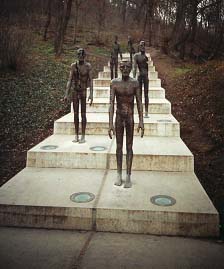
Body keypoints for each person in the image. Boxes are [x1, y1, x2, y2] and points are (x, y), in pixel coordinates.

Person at [108, 60, 144, 188]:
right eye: (122, 67)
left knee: (129, 146)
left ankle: (128, 175)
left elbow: (139, 102)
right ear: (119, 68)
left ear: (130, 68)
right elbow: (111, 103)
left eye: (127, 67)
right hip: (119, 117)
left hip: (129, 117)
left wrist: (141, 121)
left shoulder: (134, 83)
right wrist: (110, 123)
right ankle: (118, 174)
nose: (125, 69)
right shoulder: (114, 83)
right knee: (118, 146)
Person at [64, 48, 93, 143]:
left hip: (83, 91)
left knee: (83, 114)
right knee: (75, 114)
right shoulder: (73, 66)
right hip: (75, 91)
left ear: (84, 55)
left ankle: (83, 135)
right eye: (79, 54)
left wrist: (91, 94)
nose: (80, 56)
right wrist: (66, 93)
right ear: (77, 55)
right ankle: (76, 134)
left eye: (82, 54)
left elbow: (91, 80)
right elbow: (70, 80)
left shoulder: (88, 66)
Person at [133, 40, 149, 118]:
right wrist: (133, 78)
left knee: (146, 94)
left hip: (145, 76)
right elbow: (134, 67)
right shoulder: (136, 56)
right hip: (140, 76)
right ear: (139, 47)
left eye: (144, 45)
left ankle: (146, 111)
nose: (142, 47)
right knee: (139, 94)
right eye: (141, 45)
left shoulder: (146, 57)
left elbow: (147, 68)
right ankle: (140, 111)